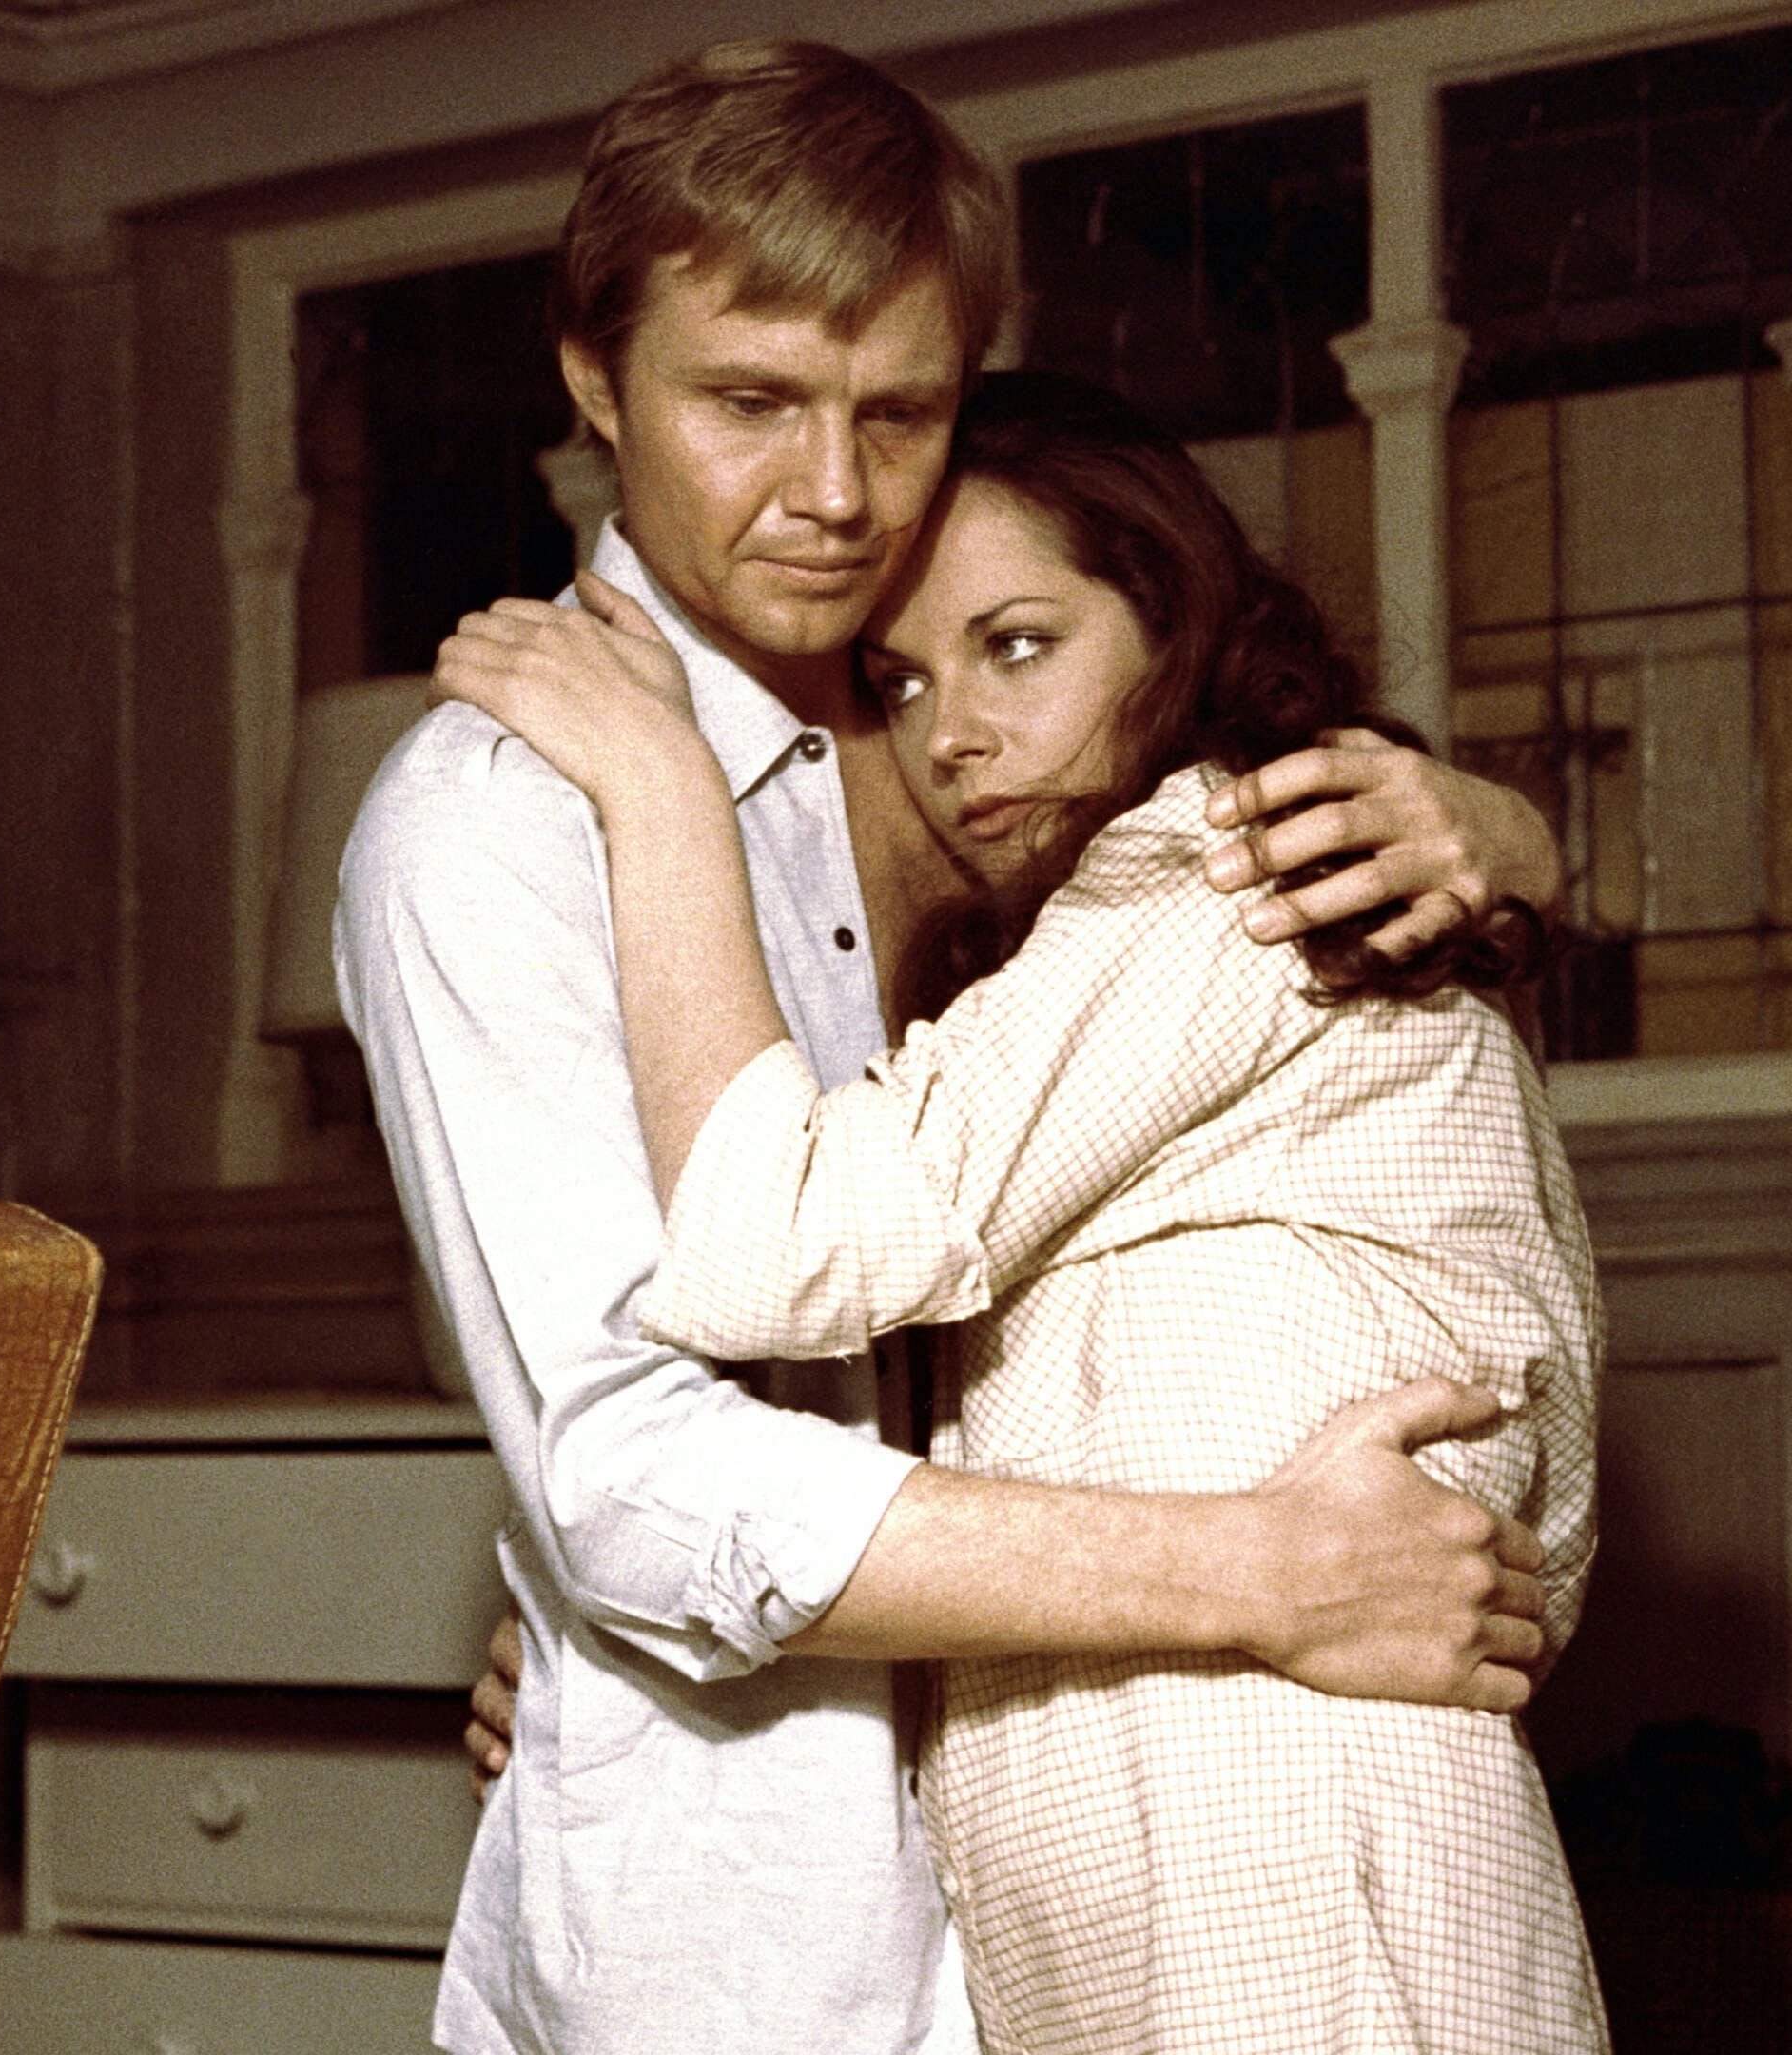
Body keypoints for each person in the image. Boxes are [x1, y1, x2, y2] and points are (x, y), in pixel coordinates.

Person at [334, 42, 1574, 2055]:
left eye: (898, 411)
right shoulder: (496, 825)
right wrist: (1256, 1569)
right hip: (751, 1955)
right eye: (749, 403)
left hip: (1083, 1880)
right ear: (594, 379)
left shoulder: (958, 766)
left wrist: (1500, 836)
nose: (835, 494)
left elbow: (1279, 1073)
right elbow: (634, 1483)